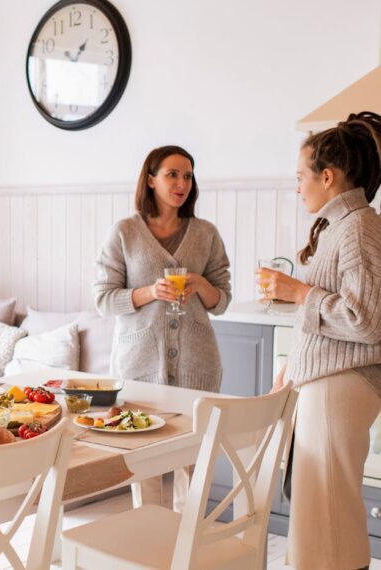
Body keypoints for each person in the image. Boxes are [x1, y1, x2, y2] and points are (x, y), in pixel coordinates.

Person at [260, 111, 381, 570]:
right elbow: (334, 319)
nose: (297, 187)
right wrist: (294, 370)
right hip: (329, 382)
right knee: (319, 516)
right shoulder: (344, 226)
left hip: (342, 386)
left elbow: (365, 321)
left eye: (300, 177)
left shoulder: (359, 227)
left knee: (328, 517)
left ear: (327, 177)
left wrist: (299, 292)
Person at [93, 145, 232, 511]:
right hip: (139, 365)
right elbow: (104, 299)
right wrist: (148, 293)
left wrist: (202, 286)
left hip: (196, 366)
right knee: (145, 459)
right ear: (151, 179)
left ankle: (188, 549)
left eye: (188, 176)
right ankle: (150, 545)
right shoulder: (124, 232)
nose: (181, 183)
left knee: (192, 459)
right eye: (172, 174)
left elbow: (223, 299)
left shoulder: (205, 234)